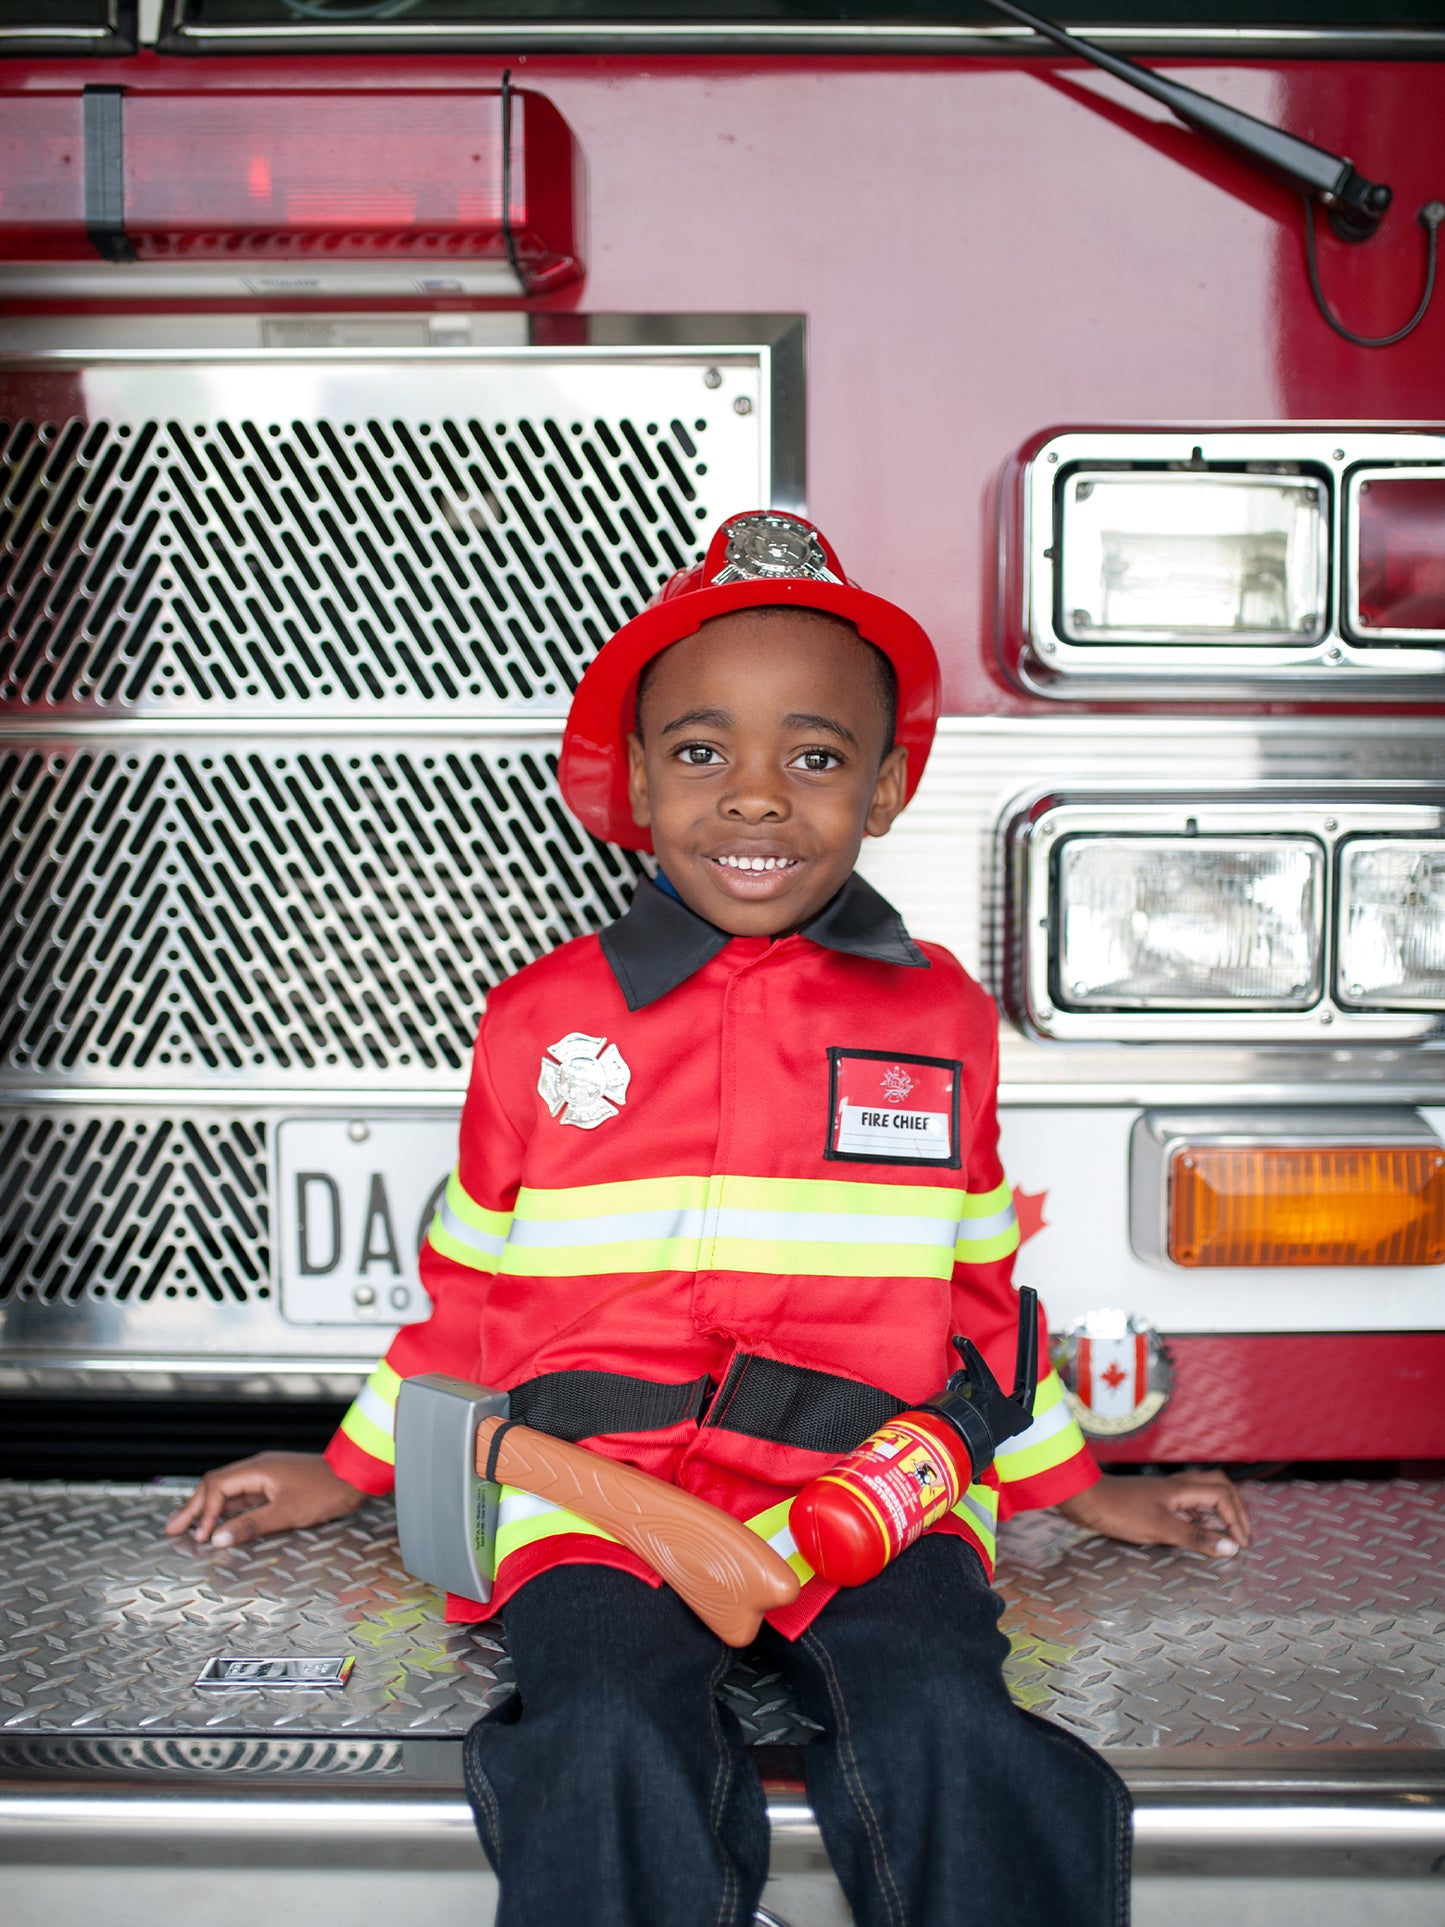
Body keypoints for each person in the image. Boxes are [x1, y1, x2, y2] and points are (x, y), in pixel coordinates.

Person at [167, 510, 1252, 1927]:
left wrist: (1076, 1487)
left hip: (867, 1497)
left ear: (883, 787)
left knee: (945, 1719)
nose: (754, 798)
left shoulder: (939, 1020)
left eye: (813, 757)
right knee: (606, 1729)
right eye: (700, 753)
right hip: (594, 1497)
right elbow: (472, 1293)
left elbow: (982, 1299)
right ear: (632, 780)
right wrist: (349, 1468)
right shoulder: (542, 1021)